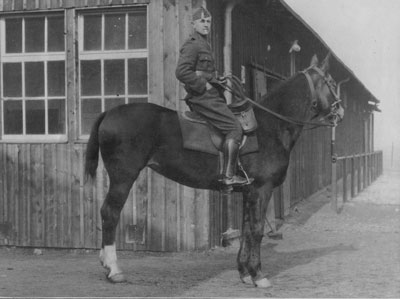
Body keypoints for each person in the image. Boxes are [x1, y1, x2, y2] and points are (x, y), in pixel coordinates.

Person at [175, 6, 252, 187]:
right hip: (203, 97)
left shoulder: (204, 44)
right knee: (235, 127)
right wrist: (205, 85)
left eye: (208, 21)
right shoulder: (193, 44)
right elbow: (182, 72)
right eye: (202, 21)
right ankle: (229, 176)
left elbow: (202, 71)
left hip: (211, 95)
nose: (206, 24)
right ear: (193, 23)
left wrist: (217, 79)